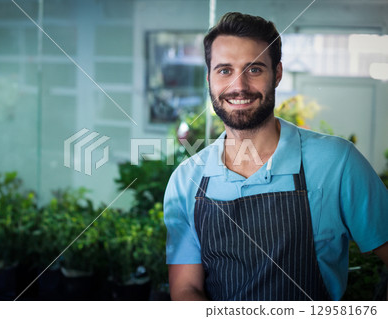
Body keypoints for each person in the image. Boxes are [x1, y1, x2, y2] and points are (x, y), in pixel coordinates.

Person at [163, 12, 388, 301]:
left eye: (254, 69)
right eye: (224, 70)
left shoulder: (337, 162)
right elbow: (186, 289)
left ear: (277, 74)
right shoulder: (186, 180)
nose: (239, 86)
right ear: (209, 78)